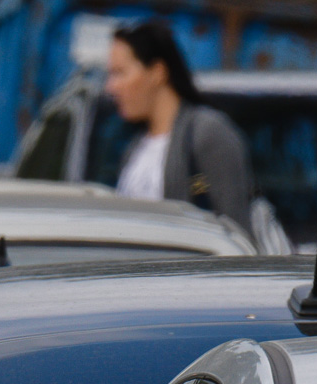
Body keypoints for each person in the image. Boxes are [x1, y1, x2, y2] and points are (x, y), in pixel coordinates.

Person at [106, 20, 254, 232]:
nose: (110, 86)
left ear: (157, 72)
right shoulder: (136, 145)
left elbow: (236, 228)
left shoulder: (207, 133)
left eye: (120, 72)